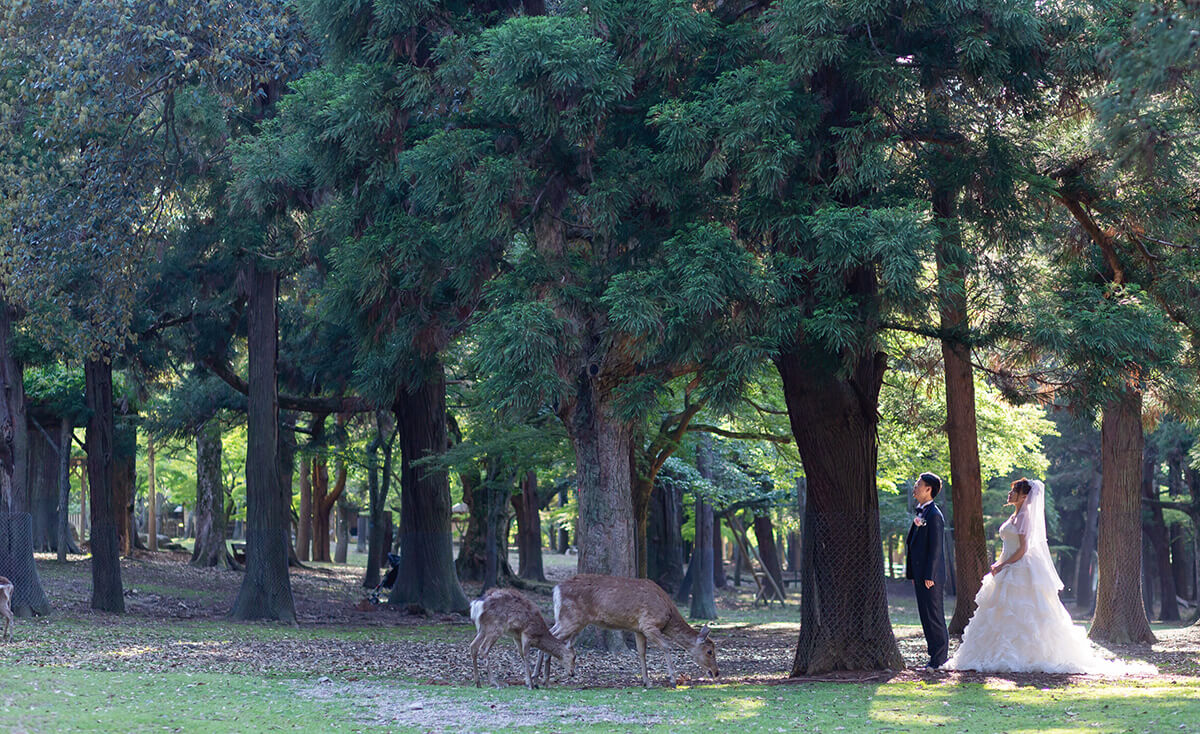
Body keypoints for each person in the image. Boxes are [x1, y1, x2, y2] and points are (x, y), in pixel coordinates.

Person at [944, 478, 1154, 674]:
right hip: (1006, 566)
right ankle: (994, 652)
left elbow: (1023, 549)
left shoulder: (1025, 517)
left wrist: (1003, 564)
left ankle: (1026, 655)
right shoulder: (1014, 515)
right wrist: (999, 562)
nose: (1009, 494)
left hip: (1019, 568)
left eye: (1013, 491)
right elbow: (1010, 546)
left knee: (1023, 611)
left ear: (1024, 497)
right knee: (1000, 611)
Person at [905, 472, 949, 669]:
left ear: (928, 489)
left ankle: (939, 659)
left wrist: (930, 576)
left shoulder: (934, 515)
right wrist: (914, 574)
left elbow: (936, 549)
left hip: (931, 577)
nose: (915, 487)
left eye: (919, 484)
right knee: (925, 616)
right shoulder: (922, 513)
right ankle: (933, 657)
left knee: (934, 616)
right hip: (921, 575)